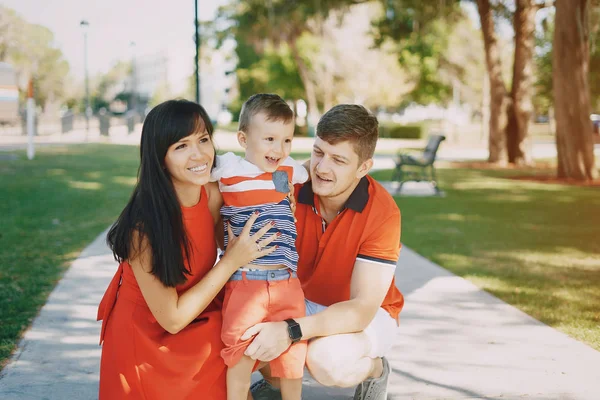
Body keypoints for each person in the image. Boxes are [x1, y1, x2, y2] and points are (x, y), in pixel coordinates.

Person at [96, 99, 279, 400]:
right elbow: (173, 318)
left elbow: (263, 198)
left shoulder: (212, 195)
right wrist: (230, 260)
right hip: (149, 344)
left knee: (264, 322)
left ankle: (267, 388)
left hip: (199, 318)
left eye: (203, 139)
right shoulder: (142, 228)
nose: (199, 154)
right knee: (240, 334)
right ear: (160, 157)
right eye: (181, 146)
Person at [246, 104, 404, 400]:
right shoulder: (290, 183)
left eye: (338, 160)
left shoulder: (383, 213)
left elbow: (361, 309)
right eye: (318, 152)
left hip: (369, 313)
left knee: (327, 361)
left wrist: (290, 330)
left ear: (363, 168)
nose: (320, 168)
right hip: (303, 300)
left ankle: (375, 371)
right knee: (239, 323)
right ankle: (276, 384)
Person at [211, 94, 309, 400]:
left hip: (288, 283)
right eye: (269, 139)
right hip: (246, 284)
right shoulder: (228, 167)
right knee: (239, 357)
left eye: (287, 140)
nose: (278, 149)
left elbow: (312, 171)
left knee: (292, 361)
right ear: (243, 138)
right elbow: (194, 170)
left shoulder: (285, 172)